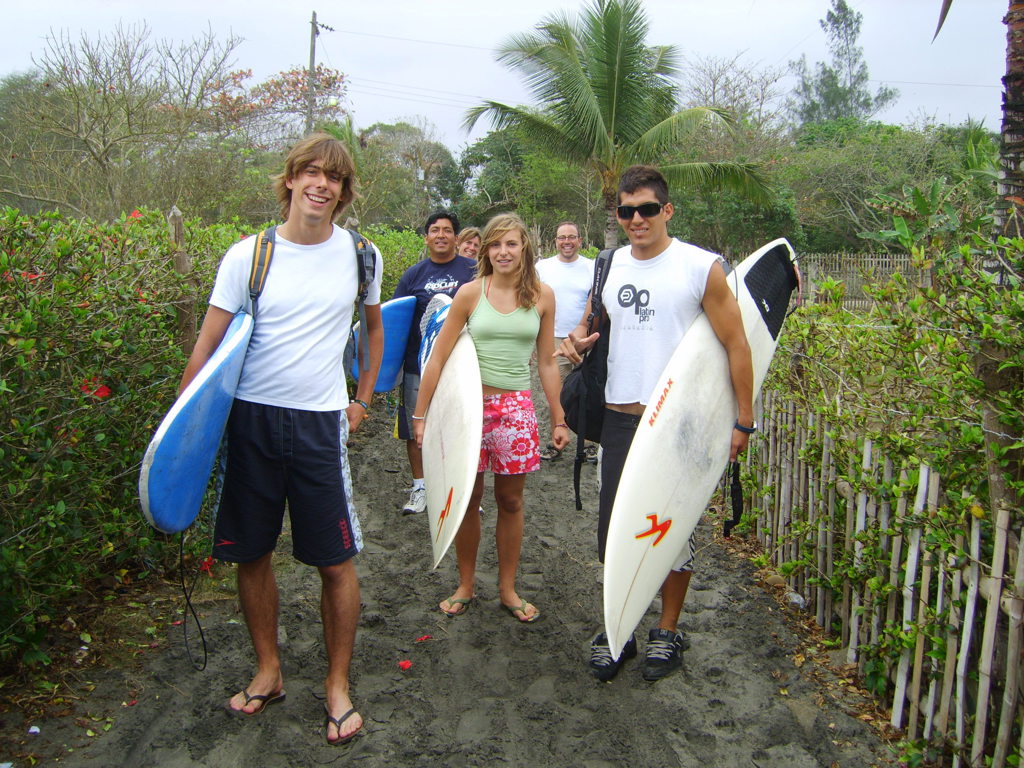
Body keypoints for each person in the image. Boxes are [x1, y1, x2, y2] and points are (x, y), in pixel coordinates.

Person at [178, 133, 383, 744]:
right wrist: (181, 428)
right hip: (252, 421)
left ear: (344, 194)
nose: (322, 184)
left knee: (336, 561)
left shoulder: (361, 255)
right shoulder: (249, 255)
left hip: (320, 423)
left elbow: (373, 332)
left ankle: (337, 685)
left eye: (335, 178)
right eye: (311, 172)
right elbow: (209, 343)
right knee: (250, 553)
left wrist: (363, 399)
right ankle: (268, 670)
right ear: (291, 179)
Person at [557, 165, 755, 683]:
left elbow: (737, 343)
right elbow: (588, 322)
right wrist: (576, 340)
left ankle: (667, 629)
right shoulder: (608, 265)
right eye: (626, 211)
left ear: (667, 210)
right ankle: (617, 625)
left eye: (647, 209)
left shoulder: (699, 267)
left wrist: (743, 422)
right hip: (620, 419)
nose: (636, 219)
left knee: (672, 532)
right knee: (616, 531)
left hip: (678, 427)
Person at [412, 213, 569, 622]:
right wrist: (420, 414)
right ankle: (465, 584)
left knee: (511, 501)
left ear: (525, 248)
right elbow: (439, 357)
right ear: (486, 251)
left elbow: (548, 363)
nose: (503, 252)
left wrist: (558, 417)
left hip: (515, 410)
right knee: (467, 500)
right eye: (496, 245)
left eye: (511, 244)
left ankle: (507, 588)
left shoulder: (543, 296)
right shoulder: (469, 293)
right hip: (467, 410)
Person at [393, 211, 477, 514]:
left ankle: (462, 487)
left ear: (456, 237)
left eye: (447, 230)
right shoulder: (413, 275)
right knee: (415, 427)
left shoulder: (474, 270)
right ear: (426, 237)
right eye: (434, 230)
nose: (441, 235)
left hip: (463, 365)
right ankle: (421, 487)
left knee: (462, 426)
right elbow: (396, 322)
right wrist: (391, 369)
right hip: (419, 365)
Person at [535, 221, 596, 463]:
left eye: (572, 237)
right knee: (557, 394)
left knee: (588, 391)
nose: (567, 242)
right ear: (555, 241)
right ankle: (556, 441)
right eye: (562, 237)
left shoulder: (592, 268)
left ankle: (590, 443)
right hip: (553, 338)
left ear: (581, 240)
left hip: (586, 339)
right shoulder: (543, 267)